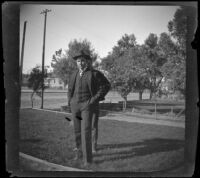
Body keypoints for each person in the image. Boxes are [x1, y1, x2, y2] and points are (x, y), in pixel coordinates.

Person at [68, 49, 110, 166]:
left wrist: (94, 100)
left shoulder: (95, 73)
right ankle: (79, 153)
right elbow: (70, 89)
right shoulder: (73, 74)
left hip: (87, 106)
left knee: (86, 130)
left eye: (82, 61)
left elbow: (106, 86)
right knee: (77, 131)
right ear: (76, 62)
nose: (80, 63)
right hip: (75, 106)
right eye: (78, 61)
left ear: (86, 61)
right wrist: (70, 101)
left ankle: (88, 160)